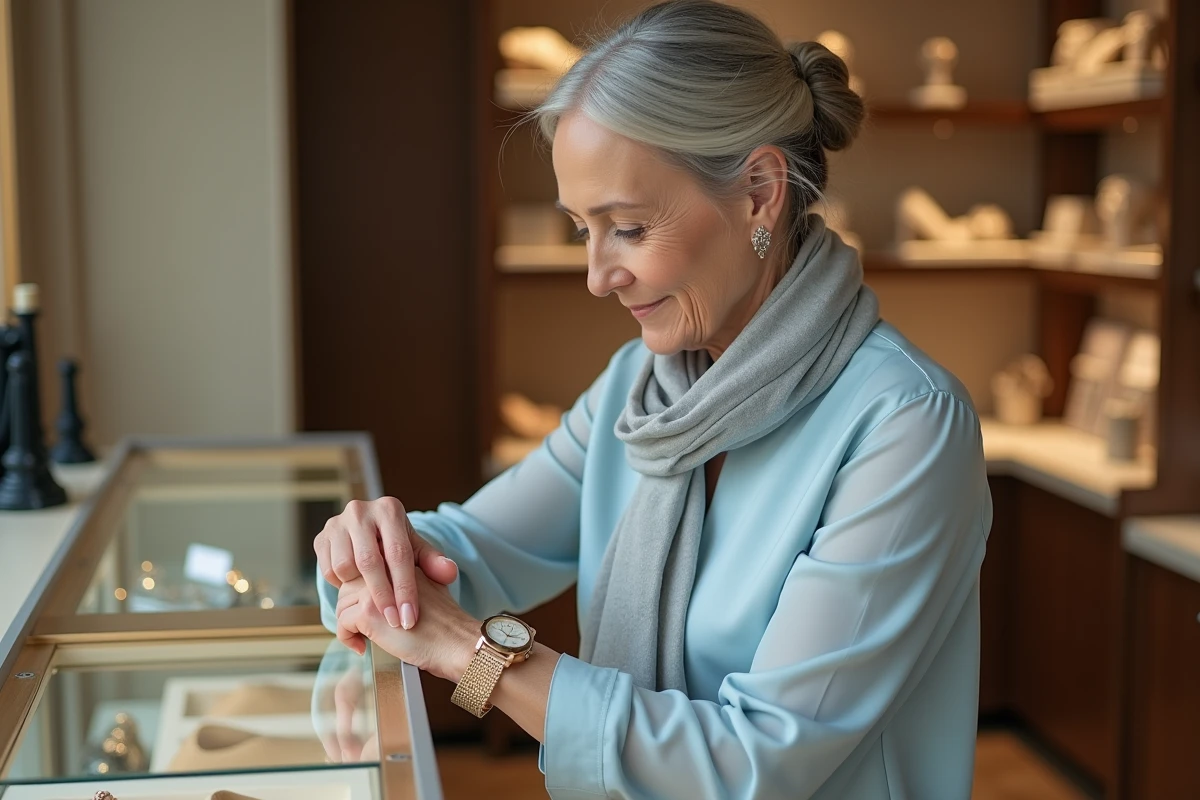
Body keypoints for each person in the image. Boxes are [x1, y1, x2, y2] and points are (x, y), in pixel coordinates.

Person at [315, 1, 992, 797]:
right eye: (582, 230)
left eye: (627, 228)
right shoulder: (638, 391)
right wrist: (371, 551)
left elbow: (754, 761)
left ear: (759, 193)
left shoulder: (905, 427)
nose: (599, 276)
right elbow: (473, 552)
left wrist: (476, 657)